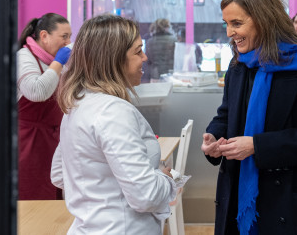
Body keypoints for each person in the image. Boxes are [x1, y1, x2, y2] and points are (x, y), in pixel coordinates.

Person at [201, 0, 297, 235]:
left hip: (296, 206)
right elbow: (227, 114)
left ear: (263, 19)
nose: (229, 33)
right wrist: (214, 136)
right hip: (243, 203)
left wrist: (257, 146)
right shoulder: (239, 66)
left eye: (237, 23)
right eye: (226, 24)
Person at [50, 14, 177, 234]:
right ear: (113, 60)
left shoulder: (77, 105)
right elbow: (145, 195)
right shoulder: (113, 112)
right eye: (138, 51)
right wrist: (166, 179)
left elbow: (59, 175)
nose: (145, 58)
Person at [17, 13, 72, 200]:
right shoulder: (24, 57)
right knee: (34, 197)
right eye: (63, 36)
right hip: (29, 143)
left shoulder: (53, 61)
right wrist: (59, 63)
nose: (68, 42)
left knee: (54, 195)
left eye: (70, 37)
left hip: (54, 140)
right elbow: (37, 91)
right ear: (44, 36)